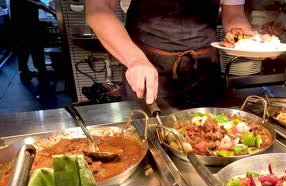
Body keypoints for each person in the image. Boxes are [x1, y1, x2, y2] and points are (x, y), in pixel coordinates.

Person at [86, 0, 252, 105]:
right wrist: (135, 60)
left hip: (205, 70)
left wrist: (249, 41)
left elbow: (234, 14)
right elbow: (98, 9)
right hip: (149, 70)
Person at [10, 0, 47, 85]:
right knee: (33, 47)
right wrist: (38, 4)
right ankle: (40, 71)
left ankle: (26, 71)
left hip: (24, 22)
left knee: (25, 48)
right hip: (25, 23)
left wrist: (40, 3)